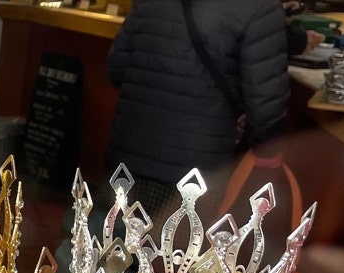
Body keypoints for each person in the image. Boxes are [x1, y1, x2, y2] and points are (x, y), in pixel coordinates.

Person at [104, 0, 291, 216]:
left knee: (113, 240)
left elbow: (116, 69)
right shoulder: (261, 6)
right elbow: (265, 98)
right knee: (180, 246)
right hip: (198, 166)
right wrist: (269, 150)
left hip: (129, 153)